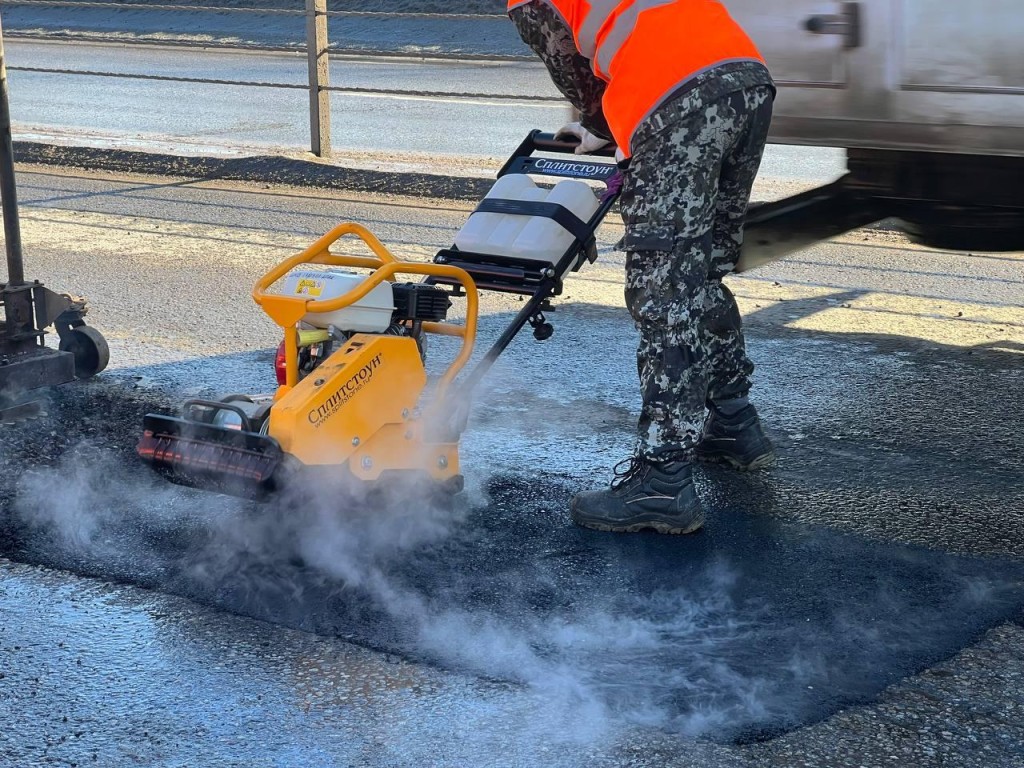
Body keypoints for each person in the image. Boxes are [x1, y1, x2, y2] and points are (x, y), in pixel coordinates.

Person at [508, 0, 777, 535]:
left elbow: (572, 65)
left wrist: (595, 125)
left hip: (676, 99)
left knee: (664, 292)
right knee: (701, 272)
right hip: (744, 81)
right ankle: (730, 420)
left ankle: (663, 480)